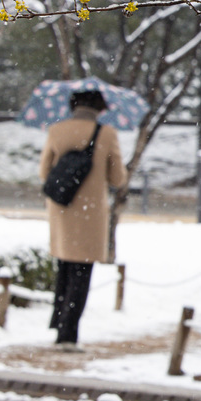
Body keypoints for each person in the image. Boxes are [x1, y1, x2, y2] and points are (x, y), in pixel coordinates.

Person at [38, 89, 127, 351]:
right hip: (91, 213)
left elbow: (45, 171)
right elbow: (117, 179)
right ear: (99, 108)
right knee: (82, 271)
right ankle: (69, 331)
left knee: (64, 267)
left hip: (62, 208)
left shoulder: (56, 130)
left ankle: (58, 322)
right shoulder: (107, 134)